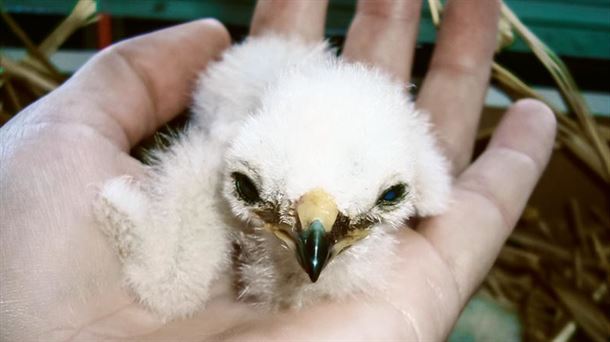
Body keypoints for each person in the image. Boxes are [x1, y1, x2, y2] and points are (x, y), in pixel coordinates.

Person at [0, 0, 556, 340]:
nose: (312, 248)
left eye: (388, 199)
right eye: (251, 189)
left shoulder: (389, 160)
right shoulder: (227, 147)